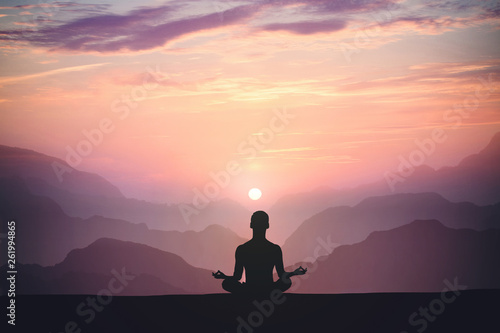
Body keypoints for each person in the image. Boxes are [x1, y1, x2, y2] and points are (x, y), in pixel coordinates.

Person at [212, 211, 306, 295]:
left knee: (226, 283)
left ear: (251, 225)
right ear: (267, 225)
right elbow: (281, 275)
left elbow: (237, 277)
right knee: (287, 282)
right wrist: (294, 273)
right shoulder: (275, 249)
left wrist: (224, 277)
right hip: (269, 289)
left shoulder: (242, 249)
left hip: (249, 289)